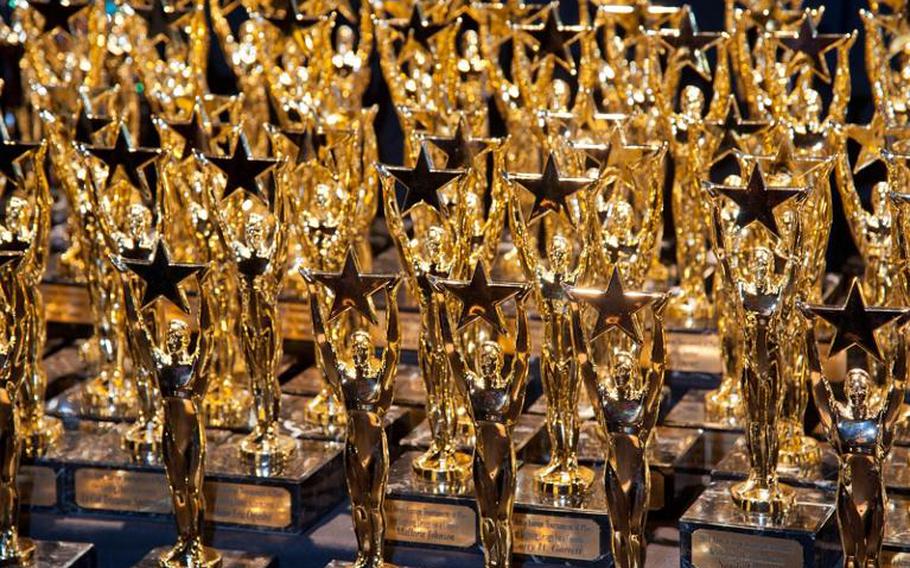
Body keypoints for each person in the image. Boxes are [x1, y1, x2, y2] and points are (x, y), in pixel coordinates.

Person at [120, 264, 220, 567]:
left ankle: (197, 543)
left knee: (194, 488)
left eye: (179, 335)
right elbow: (137, 328)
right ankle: (183, 538)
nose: (174, 340)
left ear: (185, 339)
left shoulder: (193, 366)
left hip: (192, 430)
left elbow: (209, 332)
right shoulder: (161, 365)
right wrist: (126, 282)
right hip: (169, 431)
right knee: (176, 488)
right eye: (171, 336)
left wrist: (203, 288)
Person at [306, 272, 401, 568]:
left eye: (364, 347)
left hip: (374, 445)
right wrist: (312, 295)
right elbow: (322, 341)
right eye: (355, 348)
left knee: (374, 504)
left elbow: (395, 345)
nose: (359, 351)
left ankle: (377, 557)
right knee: (357, 504)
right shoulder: (344, 378)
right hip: (352, 445)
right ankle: (363, 554)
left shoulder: (378, 377)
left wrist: (393, 299)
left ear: (370, 350)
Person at [803, 304, 905, 568]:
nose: (858, 388)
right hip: (847, 492)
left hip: (874, 494)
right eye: (853, 384)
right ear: (846, 389)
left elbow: (897, 386)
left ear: (869, 390)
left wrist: (903, 336)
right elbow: (816, 381)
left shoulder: (880, 421)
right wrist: (808, 329)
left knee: (871, 559)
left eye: (863, 384)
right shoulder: (837, 419)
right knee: (849, 558)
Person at [571, 293, 669, 568]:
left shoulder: (642, 401)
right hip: (613, 469)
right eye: (620, 370)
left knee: (635, 532)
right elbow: (583, 362)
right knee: (617, 530)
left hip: (637, 469)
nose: (624, 373)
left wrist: (658, 320)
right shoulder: (605, 400)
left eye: (628, 369)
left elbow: (658, 368)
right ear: (614, 372)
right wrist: (574, 315)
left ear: (633, 371)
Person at [438, 288, 531, 568]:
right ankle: (491, 563)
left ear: (500, 362)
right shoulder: (472, 388)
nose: (488, 362)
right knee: (486, 516)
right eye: (484, 359)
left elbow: (524, 356)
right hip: (480, 457)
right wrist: (442, 304)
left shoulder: (507, 391)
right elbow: (450, 349)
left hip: (503, 459)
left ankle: (503, 563)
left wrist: (521, 309)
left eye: (493, 359)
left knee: (503, 517)